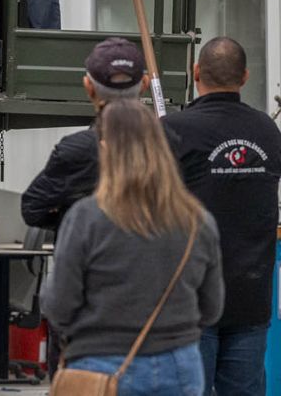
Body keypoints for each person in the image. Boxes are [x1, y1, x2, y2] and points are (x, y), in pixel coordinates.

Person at [45, 101, 223, 396]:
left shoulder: (86, 217)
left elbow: (58, 305)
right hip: (180, 365)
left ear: (106, 148)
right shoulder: (197, 221)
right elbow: (212, 308)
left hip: (100, 365)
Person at [163, 37, 281, 396]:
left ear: (195, 72)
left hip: (191, 301)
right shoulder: (267, 131)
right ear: (245, 77)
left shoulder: (175, 131)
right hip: (251, 297)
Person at [21, 38, 148, 231]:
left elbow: (33, 208)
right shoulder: (169, 144)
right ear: (144, 84)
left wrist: (74, 223)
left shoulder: (76, 150)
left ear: (88, 86)